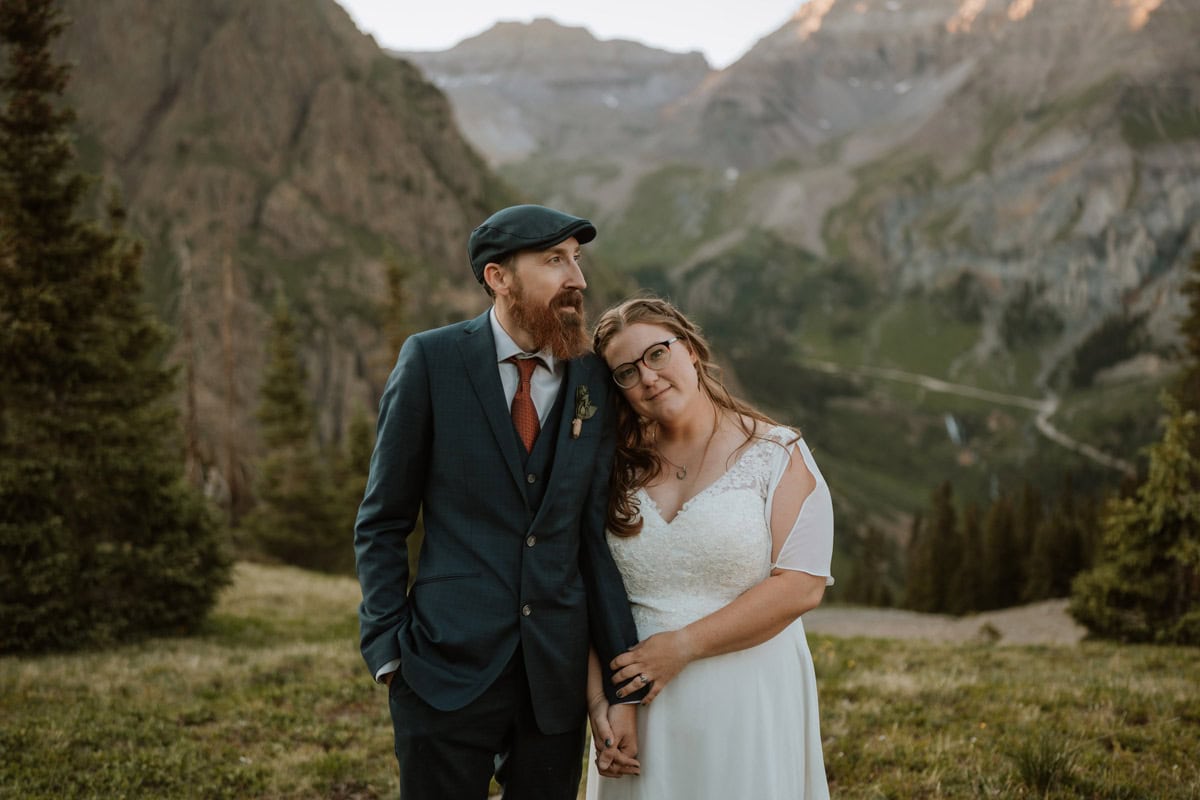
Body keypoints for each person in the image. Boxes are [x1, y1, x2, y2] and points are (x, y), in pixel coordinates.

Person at [355, 204, 644, 800]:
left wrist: (617, 688)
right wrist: (389, 651)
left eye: (577, 260)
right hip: (441, 666)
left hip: (555, 682)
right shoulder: (432, 360)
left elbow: (590, 537)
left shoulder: (591, 379)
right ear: (498, 277)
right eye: (554, 260)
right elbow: (384, 520)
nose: (577, 279)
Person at [586, 296, 835, 799]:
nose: (648, 377)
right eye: (626, 373)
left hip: (748, 701)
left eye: (657, 354)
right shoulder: (612, 469)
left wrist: (681, 647)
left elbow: (801, 587)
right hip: (639, 711)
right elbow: (585, 586)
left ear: (692, 351)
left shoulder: (776, 453)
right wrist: (604, 703)